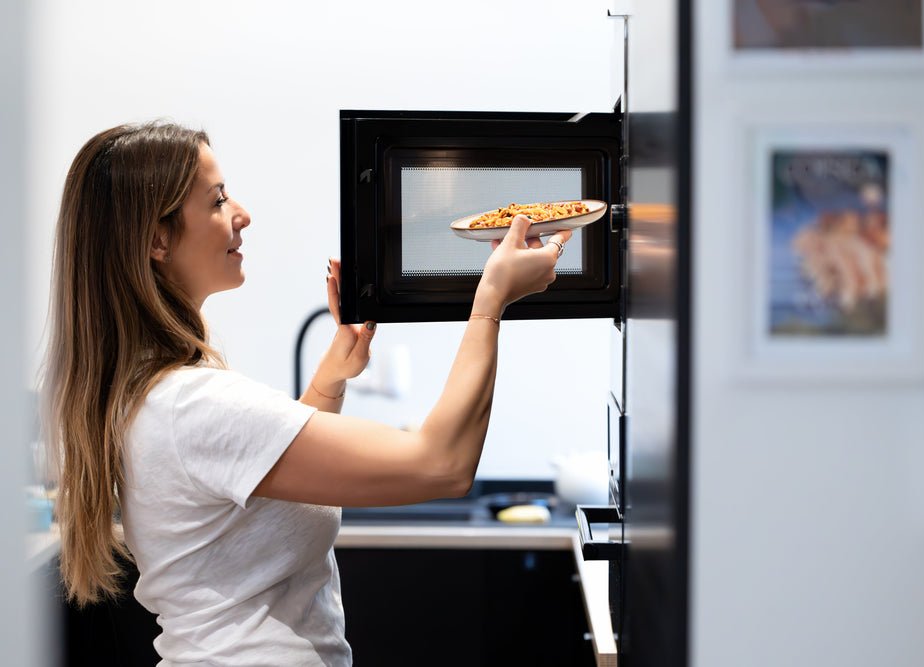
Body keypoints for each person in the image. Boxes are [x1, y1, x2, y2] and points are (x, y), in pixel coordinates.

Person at [41, 120, 572, 666]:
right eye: (218, 200)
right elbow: (442, 463)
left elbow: (268, 494)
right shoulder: (191, 404)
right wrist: (491, 301)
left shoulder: (155, 394)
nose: (241, 214)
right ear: (157, 239)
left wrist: (329, 381)